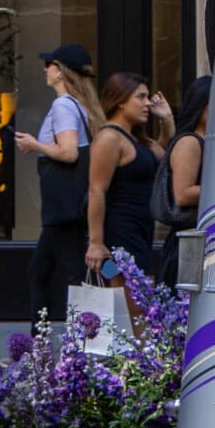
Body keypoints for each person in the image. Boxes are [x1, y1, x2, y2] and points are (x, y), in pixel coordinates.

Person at [12, 43, 102, 320]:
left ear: (61, 72)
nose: (45, 69)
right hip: (70, 206)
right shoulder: (80, 105)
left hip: (62, 209)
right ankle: (49, 345)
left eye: (49, 65)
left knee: (62, 275)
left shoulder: (63, 105)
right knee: (44, 272)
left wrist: (34, 144)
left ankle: (66, 344)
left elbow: (68, 151)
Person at [86, 71, 169, 282]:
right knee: (132, 297)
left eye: (147, 97)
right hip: (119, 234)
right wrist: (96, 243)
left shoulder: (137, 138)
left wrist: (166, 118)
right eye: (140, 97)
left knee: (136, 299)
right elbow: (96, 189)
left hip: (140, 231)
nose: (147, 103)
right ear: (120, 101)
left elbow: (165, 156)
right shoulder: (109, 138)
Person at [155, 74, 210, 288]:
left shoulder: (208, 141)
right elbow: (183, 193)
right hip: (187, 242)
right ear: (204, 107)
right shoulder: (190, 142)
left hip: (201, 236)